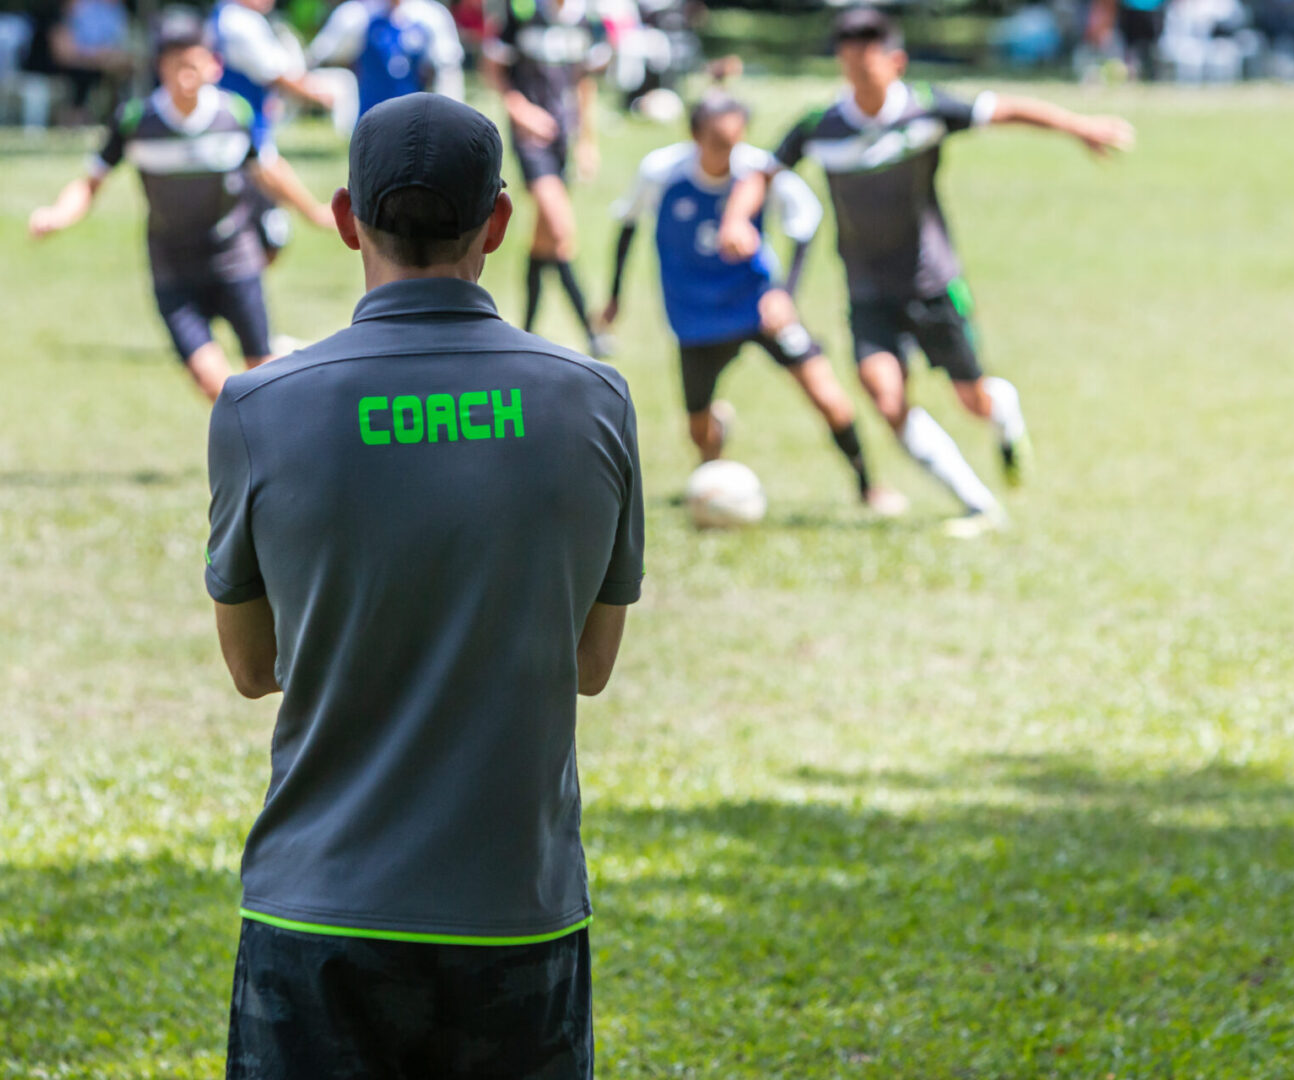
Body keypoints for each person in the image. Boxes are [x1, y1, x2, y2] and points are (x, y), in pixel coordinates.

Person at [207, 92, 643, 1079]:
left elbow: (250, 666)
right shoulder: (593, 398)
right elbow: (592, 662)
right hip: (514, 912)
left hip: (316, 909)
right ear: (498, 221)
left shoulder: (257, 406)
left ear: (343, 217)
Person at [719, 6, 1134, 538]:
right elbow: (763, 172)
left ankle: (1002, 406)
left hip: (933, 284)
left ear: (896, 62)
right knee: (885, 397)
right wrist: (736, 217)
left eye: (868, 66)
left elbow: (1004, 109)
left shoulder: (925, 111)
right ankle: (979, 505)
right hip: (868, 289)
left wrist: (1079, 126)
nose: (858, 77)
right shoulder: (819, 126)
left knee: (973, 399)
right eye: (849, 66)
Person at [603, 91, 903, 515]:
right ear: (694, 136)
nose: (729, 152)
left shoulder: (758, 172)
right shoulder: (661, 172)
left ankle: (869, 487)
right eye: (718, 142)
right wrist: (614, 298)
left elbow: (807, 218)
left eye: (736, 140)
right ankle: (713, 475)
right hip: (695, 314)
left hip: (758, 305)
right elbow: (628, 225)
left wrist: (785, 292)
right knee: (699, 431)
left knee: (826, 394)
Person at [28, 29, 335, 401]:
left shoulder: (233, 113)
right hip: (173, 270)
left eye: (192, 66)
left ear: (213, 67)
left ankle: (272, 451)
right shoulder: (136, 120)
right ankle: (253, 451)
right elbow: (91, 183)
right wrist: (59, 215)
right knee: (216, 387)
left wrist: (315, 213)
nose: (185, 77)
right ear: (161, 69)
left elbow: (269, 172)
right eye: (175, 67)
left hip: (234, 262)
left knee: (263, 377)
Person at [481, 0, 612, 356]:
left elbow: (584, 83)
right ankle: (592, 329)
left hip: (563, 138)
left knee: (543, 242)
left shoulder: (585, 18)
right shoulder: (519, 10)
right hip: (531, 141)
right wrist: (520, 110)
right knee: (560, 230)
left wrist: (587, 141)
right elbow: (492, 67)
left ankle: (527, 330)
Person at [207, 0, 338, 261]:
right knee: (266, 239)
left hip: (232, 140)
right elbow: (278, 74)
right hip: (239, 141)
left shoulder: (229, 17)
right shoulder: (239, 22)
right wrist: (315, 213)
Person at [307, 0, 466, 113]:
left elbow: (448, 67)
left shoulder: (430, 16)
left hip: (415, 115)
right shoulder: (356, 15)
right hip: (368, 113)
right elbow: (320, 56)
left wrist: (449, 113)